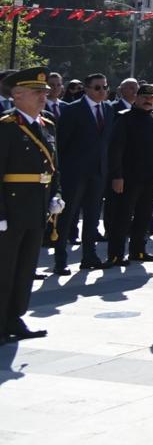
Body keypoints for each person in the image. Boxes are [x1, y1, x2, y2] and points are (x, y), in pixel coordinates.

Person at [0, 68, 66, 344]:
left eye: (44, 93)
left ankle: (15, 317)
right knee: (5, 267)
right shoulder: (5, 126)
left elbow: (54, 167)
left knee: (26, 266)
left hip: (37, 206)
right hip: (12, 208)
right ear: (17, 95)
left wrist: (56, 194)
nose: (44, 97)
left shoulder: (47, 124)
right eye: (37, 93)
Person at [53, 71, 113, 272]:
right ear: (87, 89)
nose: (102, 91)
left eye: (105, 87)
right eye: (97, 87)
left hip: (98, 171)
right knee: (68, 216)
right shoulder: (73, 110)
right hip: (75, 173)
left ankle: (89, 255)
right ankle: (60, 259)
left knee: (93, 216)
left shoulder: (108, 109)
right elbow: (63, 143)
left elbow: (108, 142)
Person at [106, 84, 153, 265]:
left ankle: (138, 250)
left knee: (144, 216)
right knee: (122, 217)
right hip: (129, 178)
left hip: (151, 178)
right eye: (145, 97)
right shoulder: (124, 119)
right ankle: (116, 254)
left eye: (152, 98)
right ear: (137, 98)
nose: (148, 101)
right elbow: (116, 150)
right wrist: (117, 175)